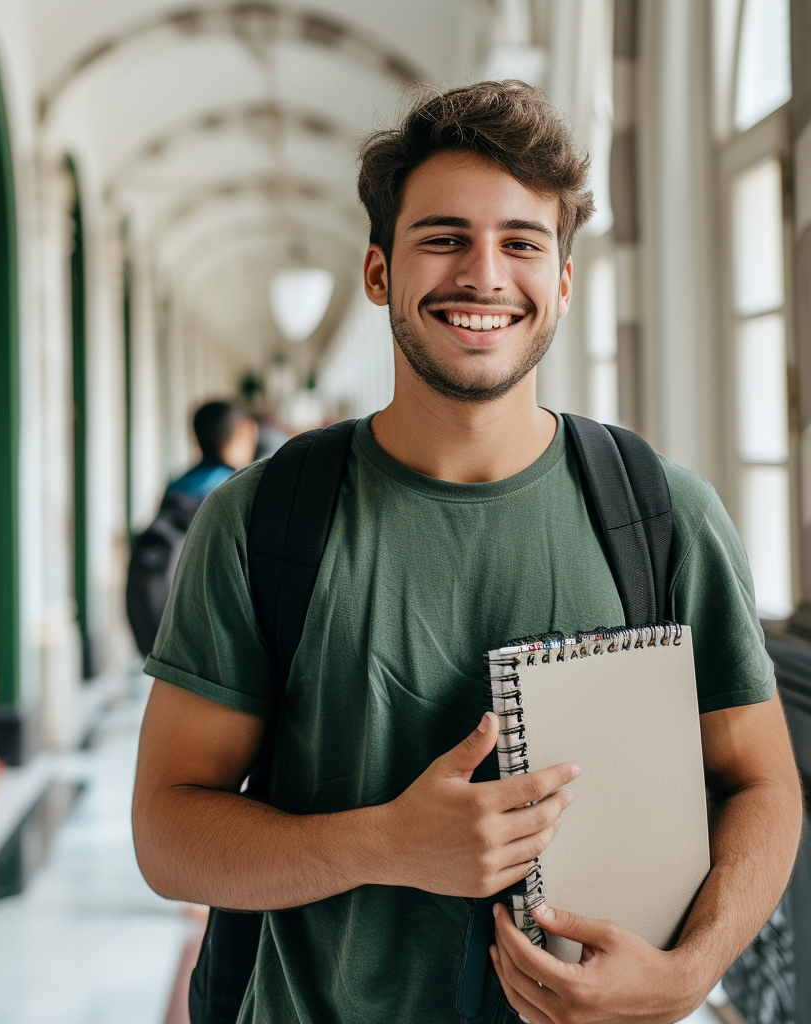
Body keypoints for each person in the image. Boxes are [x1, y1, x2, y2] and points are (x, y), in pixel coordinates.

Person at [132, 81, 802, 1024]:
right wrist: (383, 845)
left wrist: (692, 969)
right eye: (443, 237)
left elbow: (762, 784)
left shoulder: (662, 515)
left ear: (563, 283)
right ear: (379, 273)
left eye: (522, 243)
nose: (484, 275)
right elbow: (167, 834)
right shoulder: (264, 520)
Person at [125, 401, 257, 657]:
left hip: (168, 631)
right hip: (211, 638)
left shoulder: (178, 484)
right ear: (244, 431)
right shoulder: (237, 488)